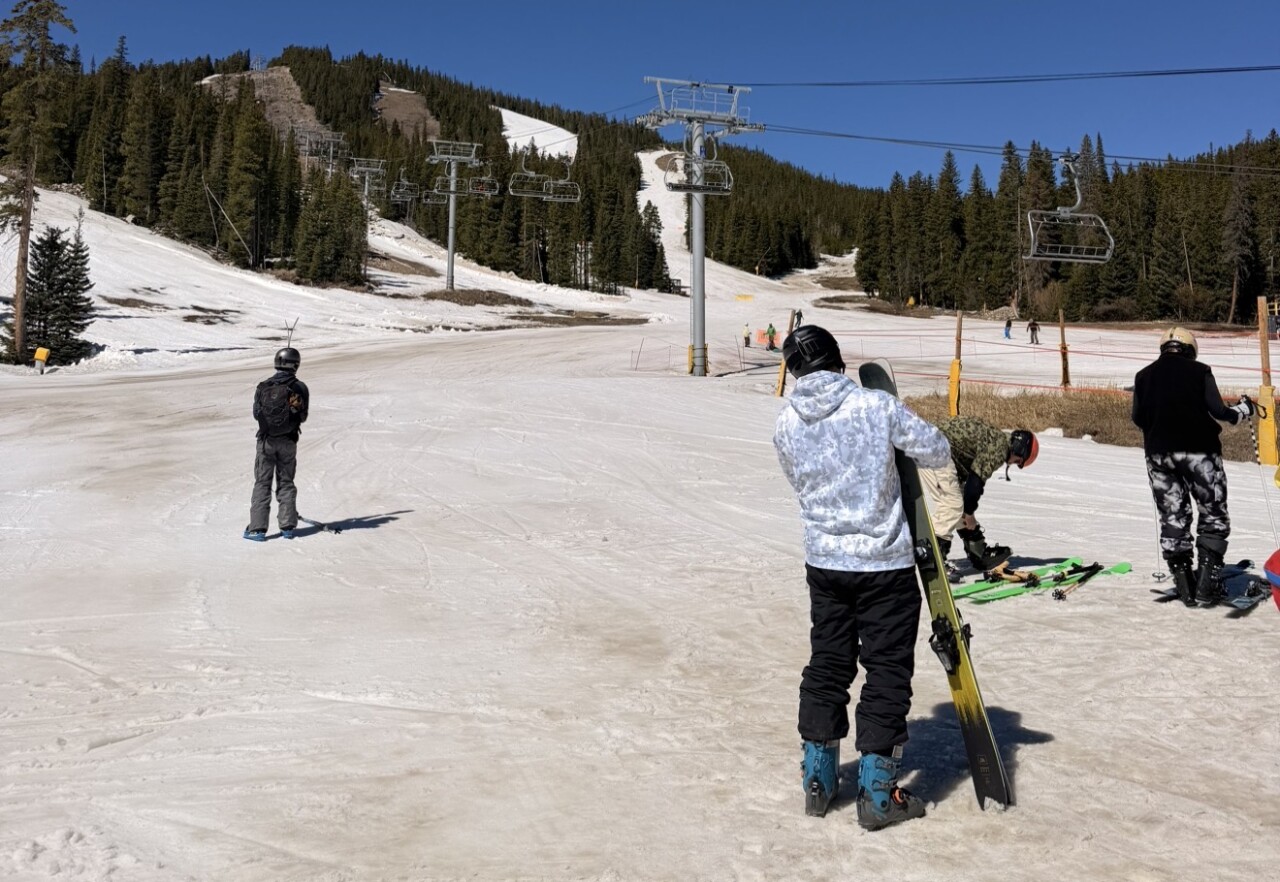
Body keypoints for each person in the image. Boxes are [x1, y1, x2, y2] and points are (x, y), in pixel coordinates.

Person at [774, 324, 951, 830]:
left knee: (828, 663)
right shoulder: (876, 407)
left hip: (825, 564)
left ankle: (818, 777)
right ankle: (877, 794)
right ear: (837, 360)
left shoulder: (785, 424)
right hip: (883, 565)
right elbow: (936, 449)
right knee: (886, 671)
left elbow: (797, 479)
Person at [1131, 327, 1255, 605]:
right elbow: (1219, 411)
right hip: (1200, 451)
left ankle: (1184, 582)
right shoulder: (1200, 371)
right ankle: (1207, 581)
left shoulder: (1143, 376)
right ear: (1190, 348)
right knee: (1212, 510)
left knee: (1173, 514)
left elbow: (1138, 417)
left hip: (1159, 454)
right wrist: (1243, 410)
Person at [919, 417, 1038, 571]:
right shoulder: (999, 448)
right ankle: (932, 556)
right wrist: (969, 514)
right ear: (1019, 449)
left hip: (929, 445)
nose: (1011, 464)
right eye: (1018, 461)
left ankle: (978, 553)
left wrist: (968, 515)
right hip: (936, 450)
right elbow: (975, 483)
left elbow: (967, 484)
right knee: (953, 505)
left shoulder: (994, 438)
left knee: (958, 503)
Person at [244, 347, 310, 541]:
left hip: (265, 441)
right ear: (296, 364)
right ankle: (287, 527)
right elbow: (303, 416)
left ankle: (257, 529)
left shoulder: (263, 386)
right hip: (288, 441)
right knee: (286, 482)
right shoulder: (299, 387)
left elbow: (256, 413)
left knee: (262, 483)